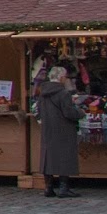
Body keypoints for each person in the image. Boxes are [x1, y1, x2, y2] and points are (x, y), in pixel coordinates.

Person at [36, 66, 83, 199]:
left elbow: (38, 110)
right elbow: (68, 112)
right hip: (64, 128)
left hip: (48, 128)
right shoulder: (63, 93)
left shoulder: (43, 92)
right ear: (62, 78)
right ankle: (64, 188)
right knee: (64, 156)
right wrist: (80, 113)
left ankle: (48, 187)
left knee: (48, 157)